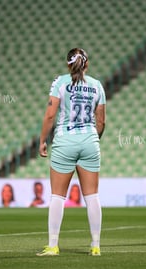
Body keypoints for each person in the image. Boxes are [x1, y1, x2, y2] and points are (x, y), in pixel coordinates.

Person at [36, 48, 106, 256]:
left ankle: (53, 245)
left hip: (65, 141)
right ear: (87, 64)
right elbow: (101, 121)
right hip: (89, 142)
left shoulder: (60, 82)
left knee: (57, 196)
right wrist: (92, 138)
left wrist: (42, 141)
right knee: (92, 196)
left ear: (68, 64)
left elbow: (50, 116)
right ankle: (95, 246)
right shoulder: (96, 85)